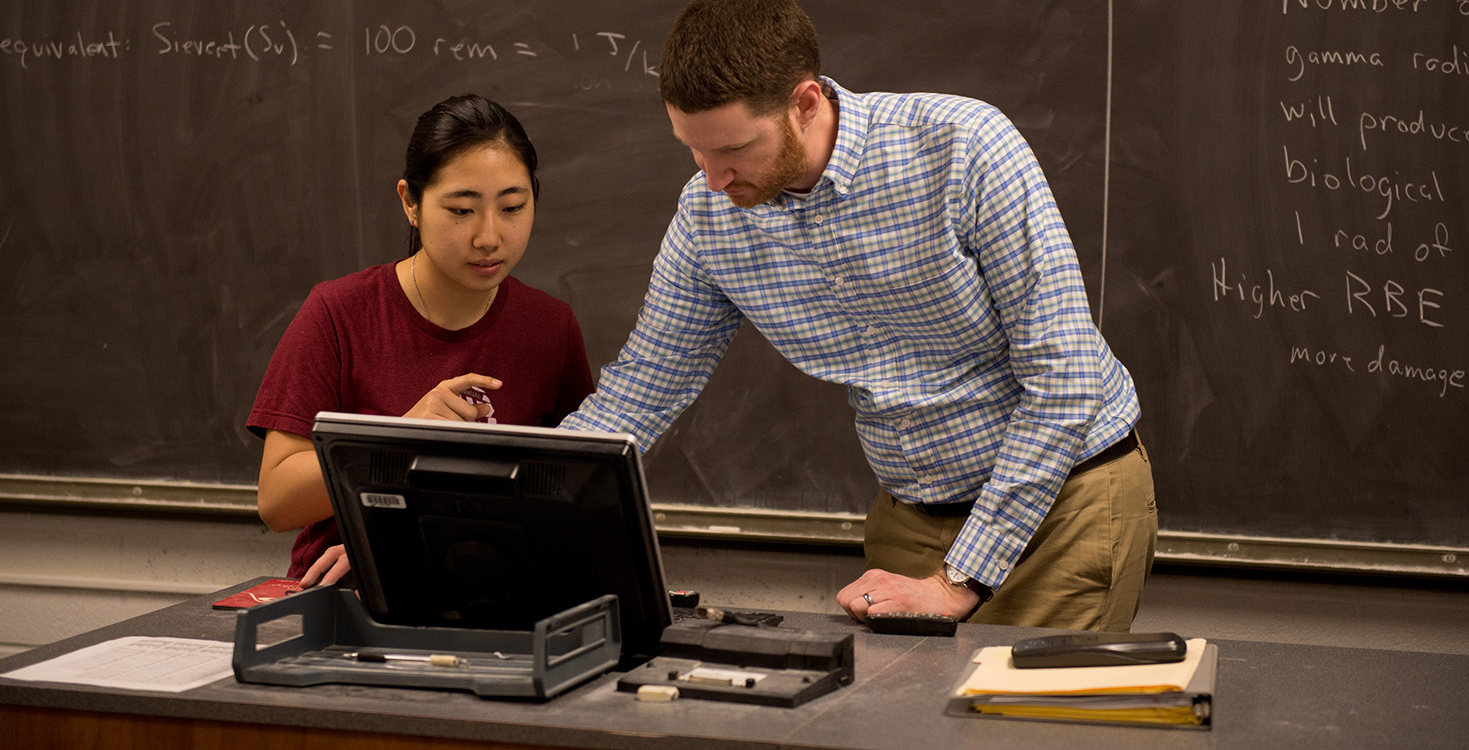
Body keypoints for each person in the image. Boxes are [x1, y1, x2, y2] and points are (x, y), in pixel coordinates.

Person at [560, 0, 1157, 630]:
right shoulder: (708, 216)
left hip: (1064, 506)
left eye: (735, 149)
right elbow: (642, 389)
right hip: (912, 520)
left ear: (805, 103)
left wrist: (960, 578)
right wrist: (512, 487)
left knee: (1025, 699)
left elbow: (1065, 377)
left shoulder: (965, 146)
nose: (713, 179)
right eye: (694, 151)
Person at [248, 94, 594, 587]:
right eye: (461, 210)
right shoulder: (337, 314)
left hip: (495, 597)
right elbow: (277, 502)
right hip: (352, 599)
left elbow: (580, 502)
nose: (489, 237)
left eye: (512, 207)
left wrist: (414, 542)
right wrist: (400, 437)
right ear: (410, 202)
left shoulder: (550, 327)